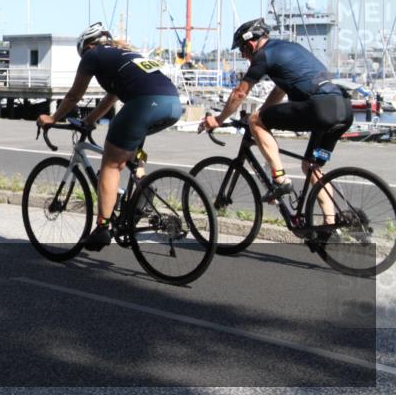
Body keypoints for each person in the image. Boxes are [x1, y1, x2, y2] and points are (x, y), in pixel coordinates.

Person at [37, 22, 183, 251]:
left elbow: (75, 95)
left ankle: (103, 227)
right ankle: (141, 192)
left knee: (111, 165)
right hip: (173, 104)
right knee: (131, 150)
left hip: (146, 103)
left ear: (87, 45)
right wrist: (90, 120)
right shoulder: (124, 55)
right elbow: (111, 98)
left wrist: (53, 118)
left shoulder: (92, 55)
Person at [197, 18, 353, 217]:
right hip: (343, 110)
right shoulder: (289, 48)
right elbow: (279, 92)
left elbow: (239, 93)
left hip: (320, 108)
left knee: (255, 120)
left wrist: (218, 120)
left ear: (251, 44)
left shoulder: (263, 55)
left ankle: (279, 180)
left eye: (242, 51)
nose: (244, 57)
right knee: (311, 167)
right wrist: (260, 115)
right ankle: (331, 224)